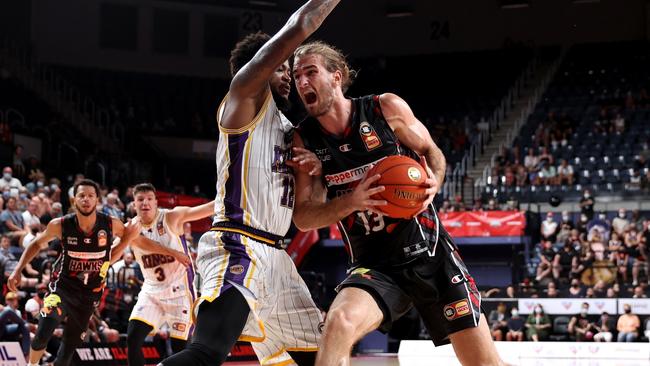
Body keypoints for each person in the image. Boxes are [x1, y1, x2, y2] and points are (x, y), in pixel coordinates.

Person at [292, 42, 503, 365]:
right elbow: (304, 219)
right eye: (297, 77)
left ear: (336, 77)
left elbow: (433, 151)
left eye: (311, 72)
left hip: (430, 255)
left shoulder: (384, 109)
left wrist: (435, 180)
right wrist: (351, 198)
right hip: (375, 265)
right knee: (338, 322)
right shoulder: (304, 139)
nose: (303, 82)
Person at [159, 2, 340, 365]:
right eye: (282, 69)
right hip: (238, 243)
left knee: (322, 358)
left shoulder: (290, 131)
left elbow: (308, 209)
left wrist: (318, 171)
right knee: (207, 351)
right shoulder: (243, 99)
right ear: (262, 67)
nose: (290, 76)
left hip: (276, 257)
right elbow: (297, 28)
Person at [7, 179, 185, 366]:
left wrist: (172, 252)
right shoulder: (60, 224)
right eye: (81, 196)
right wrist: (17, 270)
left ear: (97, 200)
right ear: (74, 200)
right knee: (45, 329)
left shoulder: (110, 224)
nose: (86, 199)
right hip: (62, 289)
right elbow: (35, 244)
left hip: (88, 296)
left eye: (90, 196)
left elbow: (138, 241)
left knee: (68, 349)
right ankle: (32, 364)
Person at [127, 183, 211, 366]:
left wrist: (232, 197)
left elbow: (207, 208)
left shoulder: (172, 217)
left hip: (179, 291)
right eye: (140, 200)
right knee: (133, 339)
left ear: (156, 202)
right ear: (134, 204)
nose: (145, 203)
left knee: (180, 347)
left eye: (149, 199)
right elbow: (113, 248)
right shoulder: (131, 228)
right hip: (151, 291)